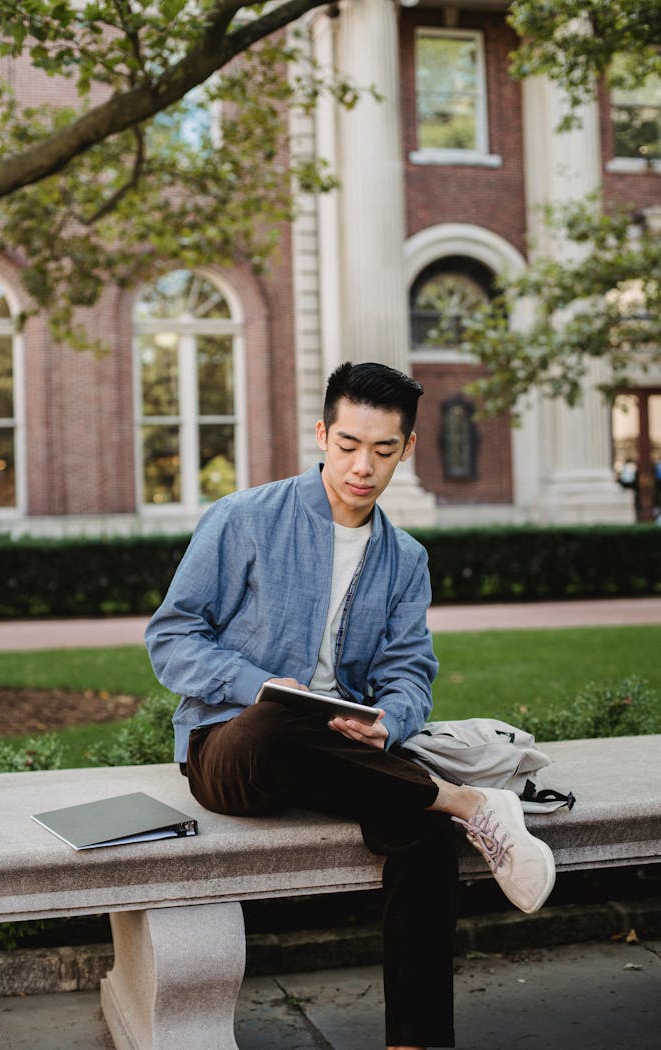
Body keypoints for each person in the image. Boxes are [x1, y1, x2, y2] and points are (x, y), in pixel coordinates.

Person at [146, 361, 555, 1050]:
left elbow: (409, 674)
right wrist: (261, 685)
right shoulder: (244, 519)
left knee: (420, 840)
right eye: (348, 445)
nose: (363, 466)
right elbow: (172, 638)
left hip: (346, 755)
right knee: (279, 720)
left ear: (408, 448)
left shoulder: (406, 559)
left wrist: (389, 721)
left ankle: (414, 1043)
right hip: (233, 745)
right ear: (323, 434)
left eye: (384, 450)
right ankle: (465, 803)